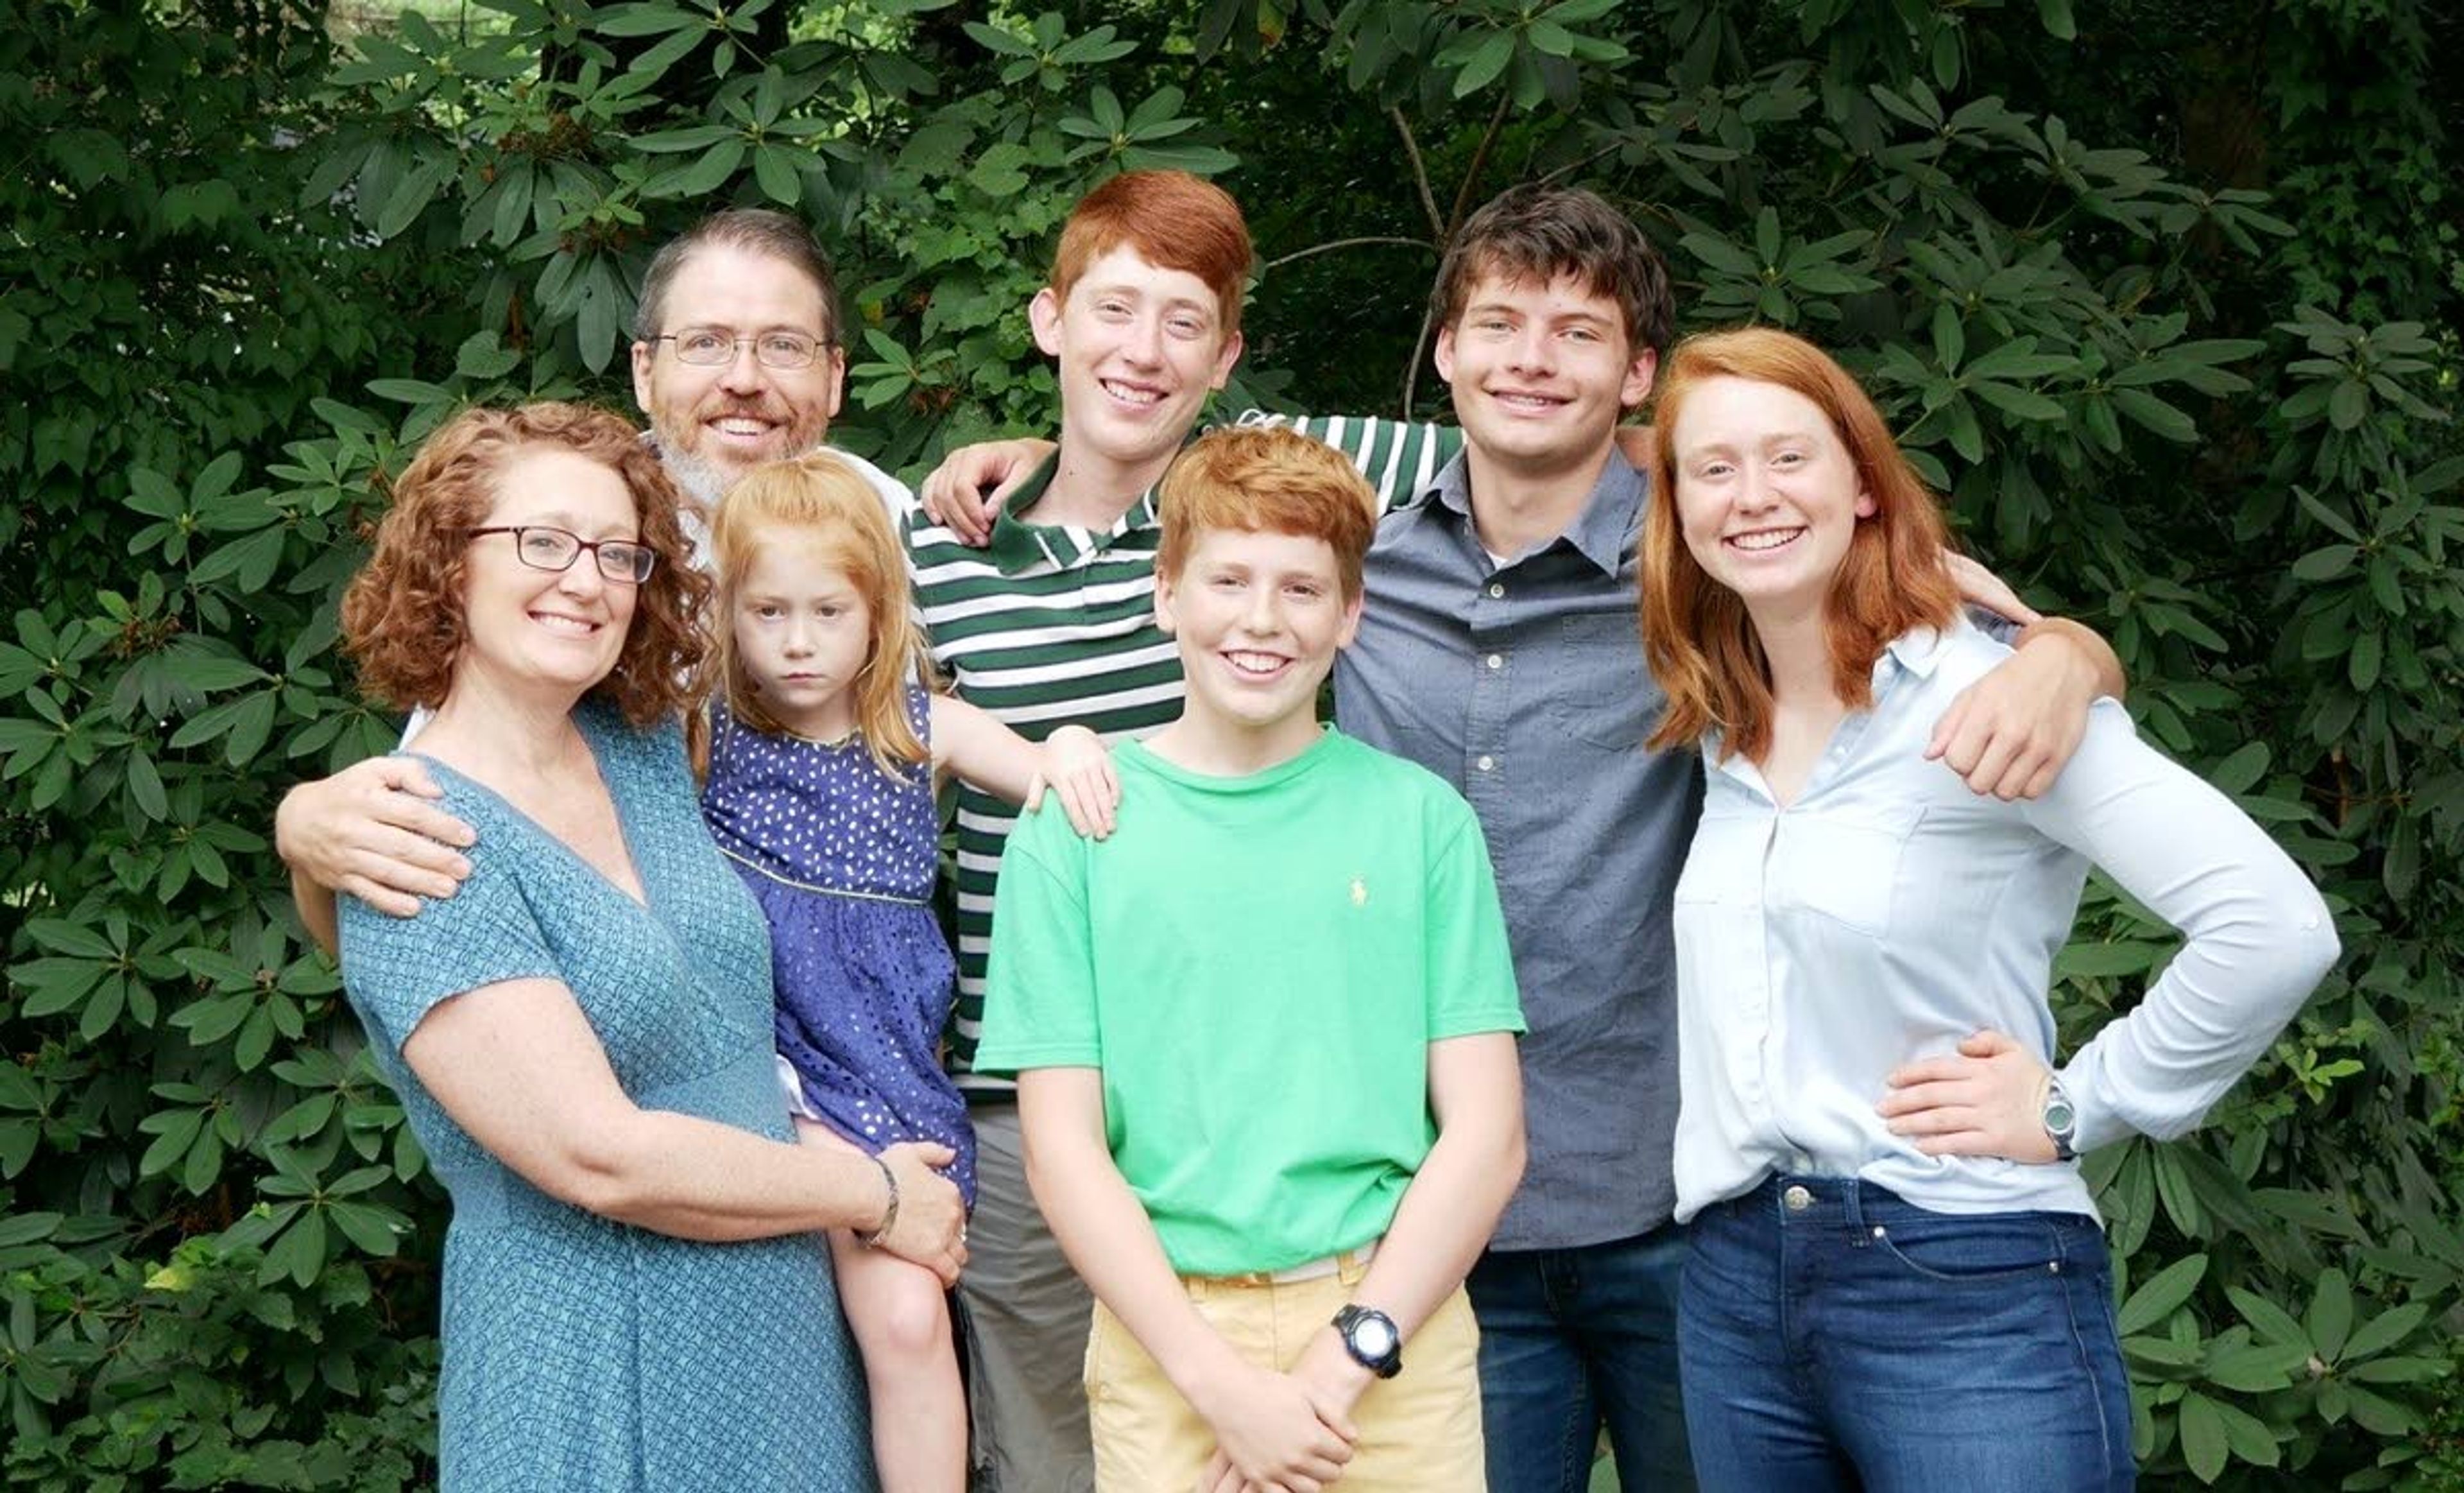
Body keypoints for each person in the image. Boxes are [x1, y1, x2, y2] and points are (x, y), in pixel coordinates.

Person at [923, 182, 2126, 1493]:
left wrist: (2069, 651)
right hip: (1429, 1231)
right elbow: (1189, 478)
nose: (1531, 362)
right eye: (1497, 324)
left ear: (1639, 376)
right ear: (1443, 351)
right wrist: (1023, 459)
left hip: (1669, 1191)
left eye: (1578, 334)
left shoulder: (1708, 552)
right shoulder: (1370, 529)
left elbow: (1906, 582)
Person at [1637, 327, 2340, 1491]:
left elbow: (2272, 923)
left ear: (1863, 483)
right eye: (1712, 469)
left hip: (1961, 1275)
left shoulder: (1991, 697)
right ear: (1676, 508)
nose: (1751, 496)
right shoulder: (1717, 728)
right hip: (1734, 1288)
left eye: (1788, 458)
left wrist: (2080, 1105)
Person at [902, 169, 1462, 1493]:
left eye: (1182, 323)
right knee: (1057, 1462)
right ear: (1049, 321)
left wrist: (1885, 539)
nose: (1141, 352)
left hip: (1260, 1108)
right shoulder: (936, 553)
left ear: (1227, 356)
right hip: (1034, 1106)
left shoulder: (1263, 507)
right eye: (1112, 310)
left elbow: (1536, 441)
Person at [320, 401, 967, 1491]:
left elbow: (862, 706)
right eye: (542, 541)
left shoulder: (647, 745)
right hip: (590, 1359)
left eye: (617, 552)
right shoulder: (412, 838)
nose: (585, 578)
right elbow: (597, 1154)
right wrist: (877, 1198)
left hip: (781, 1349)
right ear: (448, 563)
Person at [975, 426, 1527, 1493]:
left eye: (1302, 588)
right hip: (1166, 1340)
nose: (1261, 620)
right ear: (1167, 592)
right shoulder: (1080, 829)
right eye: (1227, 579)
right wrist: (1219, 1385)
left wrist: (1339, 1364)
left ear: (1351, 612)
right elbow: (1063, 1152)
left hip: (1388, 1336)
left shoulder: (1422, 823)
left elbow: (1488, 1136)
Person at [694, 451, 1120, 1493]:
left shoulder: (916, 733)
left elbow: (1044, 774)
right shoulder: (706, 737)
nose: (798, 641)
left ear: (880, 614)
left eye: (829, 611)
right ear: (730, 615)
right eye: (768, 611)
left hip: (881, 1071)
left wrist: (1065, 742)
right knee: (793, 1325)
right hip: (752, 1057)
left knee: (907, 1317)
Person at [278, 206, 902, 917]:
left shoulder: (892, 524)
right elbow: (420, 841)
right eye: (705, 343)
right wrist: (304, 828)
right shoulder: (566, 535)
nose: (745, 379)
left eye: (784, 346)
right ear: (644, 369)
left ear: (835, 375)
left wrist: (1025, 462)